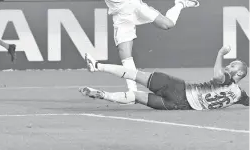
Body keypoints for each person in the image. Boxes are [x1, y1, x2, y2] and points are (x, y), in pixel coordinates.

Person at [42, 0, 198, 94]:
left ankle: (179, 4)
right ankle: (133, 91)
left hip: (135, 7)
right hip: (120, 16)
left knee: (167, 24)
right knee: (124, 53)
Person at [81, 46, 249, 110]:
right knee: (136, 96)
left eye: (233, 66)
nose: (229, 66)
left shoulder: (228, 78)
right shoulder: (240, 95)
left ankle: (97, 66)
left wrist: (220, 53)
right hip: (180, 106)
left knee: (137, 75)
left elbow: (218, 75)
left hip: (180, 89)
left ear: (240, 73)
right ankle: (103, 95)